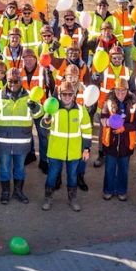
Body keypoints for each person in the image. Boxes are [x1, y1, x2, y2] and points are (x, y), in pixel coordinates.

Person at [0, 67, 43, 205]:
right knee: (4, 168)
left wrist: (35, 108)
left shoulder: (30, 95)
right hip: (3, 141)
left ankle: (18, 192)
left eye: (16, 81)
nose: (12, 84)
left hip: (22, 142)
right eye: (10, 81)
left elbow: (39, 115)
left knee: (19, 168)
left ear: (21, 80)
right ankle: (5, 192)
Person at [40, 81, 92, 212]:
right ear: (59, 94)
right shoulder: (53, 108)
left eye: (70, 94)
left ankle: (72, 199)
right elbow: (44, 125)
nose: (67, 97)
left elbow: (87, 130)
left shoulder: (81, 110)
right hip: (56, 150)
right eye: (64, 94)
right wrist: (47, 119)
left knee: (72, 176)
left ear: (74, 95)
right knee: (52, 175)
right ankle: (48, 197)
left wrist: (86, 148)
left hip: (74, 151)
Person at [100, 81, 136, 201]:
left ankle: (122, 191)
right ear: (114, 90)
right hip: (111, 142)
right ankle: (108, 190)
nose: (120, 93)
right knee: (109, 169)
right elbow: (102, 117)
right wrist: (108, 122)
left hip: (126, 143)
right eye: (118, 90)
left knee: (123, 169)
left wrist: (124, 127)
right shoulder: (108, 102)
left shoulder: (133, 104)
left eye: (123, 90)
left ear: (127, 91)